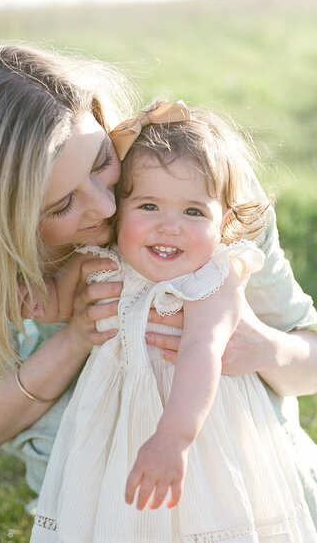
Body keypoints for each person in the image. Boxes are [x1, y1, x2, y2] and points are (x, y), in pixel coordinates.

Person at [0, 44, 315, 520]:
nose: (107, 208)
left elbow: (308, 357)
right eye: (62, 206)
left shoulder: (197, 187)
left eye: (102, 161)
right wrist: (76, 336)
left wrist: (260, 347)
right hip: (94, 499)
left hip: (240, 481)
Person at [30, 101, 317, 542]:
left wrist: (174, 437)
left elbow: (203, 350)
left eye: (193, 212)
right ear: (117, 211)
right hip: (113, 425)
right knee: (112, 515)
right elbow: (55, 303)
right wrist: (28, 296)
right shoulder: (102, 263)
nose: (169, 227)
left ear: (224, 223)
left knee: (197, 519)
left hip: (198, 432)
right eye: (148, 205)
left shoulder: (213, 281)